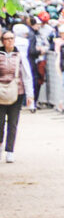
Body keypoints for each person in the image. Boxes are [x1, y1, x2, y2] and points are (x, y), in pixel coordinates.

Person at [0, 29, 33, 161]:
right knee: (0, 122)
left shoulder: (20, 55)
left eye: (12, 38)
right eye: (7, 39)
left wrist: (30, 95)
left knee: (13, 122)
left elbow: (27, 75)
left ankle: (10, 150)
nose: (10, 41)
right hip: (1, 92)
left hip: (17, 92)